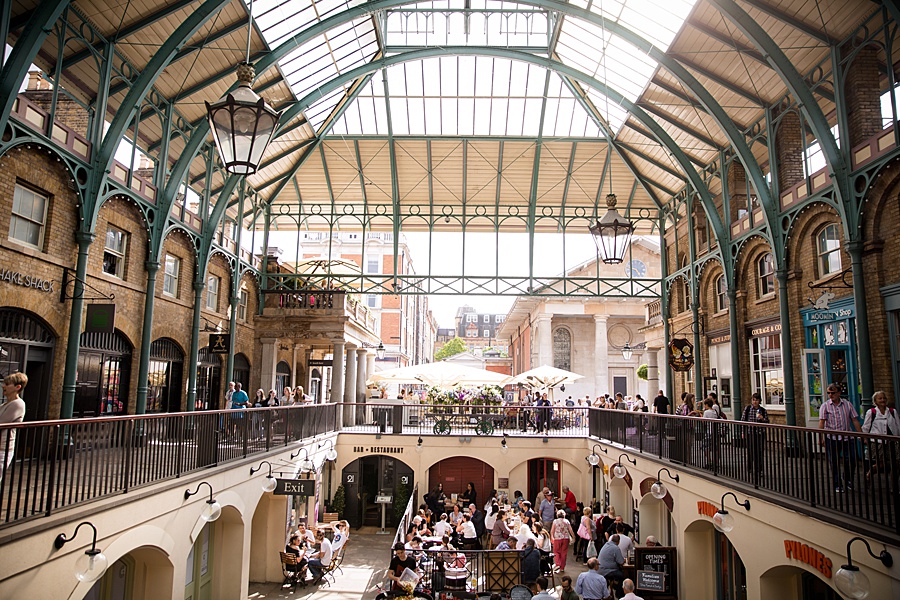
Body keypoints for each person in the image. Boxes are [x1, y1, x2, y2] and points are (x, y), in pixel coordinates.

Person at [818, 383, 862, 492]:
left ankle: (847, 478)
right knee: (834, 461)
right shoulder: (825, 406)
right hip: (831, 438)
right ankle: (837, 484)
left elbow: (854, 420)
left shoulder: (847, 404)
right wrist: (820, 437)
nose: (830, 395)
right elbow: (822, 422)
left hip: (847, 436)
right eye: (828, 393)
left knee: (851, 459)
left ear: (839, 393)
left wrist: (861, 435)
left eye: (833, 393)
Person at [861, 390, 899, 482]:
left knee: (896, 463)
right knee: (881, 464)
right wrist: (864, 438)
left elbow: (898, 425)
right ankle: (869, 474)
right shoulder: (872, 412)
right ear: (875, 401)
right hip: (878, 442)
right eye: (880, 398)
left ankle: (894, 484)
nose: (882, 400)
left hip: (892, 441)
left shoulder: (892, 411)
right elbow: (866, 427)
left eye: (884, 398)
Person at [740, 392, 769, 480]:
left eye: (756, 400)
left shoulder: (763, 410)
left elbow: (767, 422)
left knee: (759, 451)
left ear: (759, 401)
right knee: (751, 451)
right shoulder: (748, 409)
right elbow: (743, 420)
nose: (755, 402)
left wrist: (762, 418)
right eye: (753, 400)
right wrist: (743, 432)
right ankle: (750, 468)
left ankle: (759, 469)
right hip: (750, 432)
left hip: (759, 433)